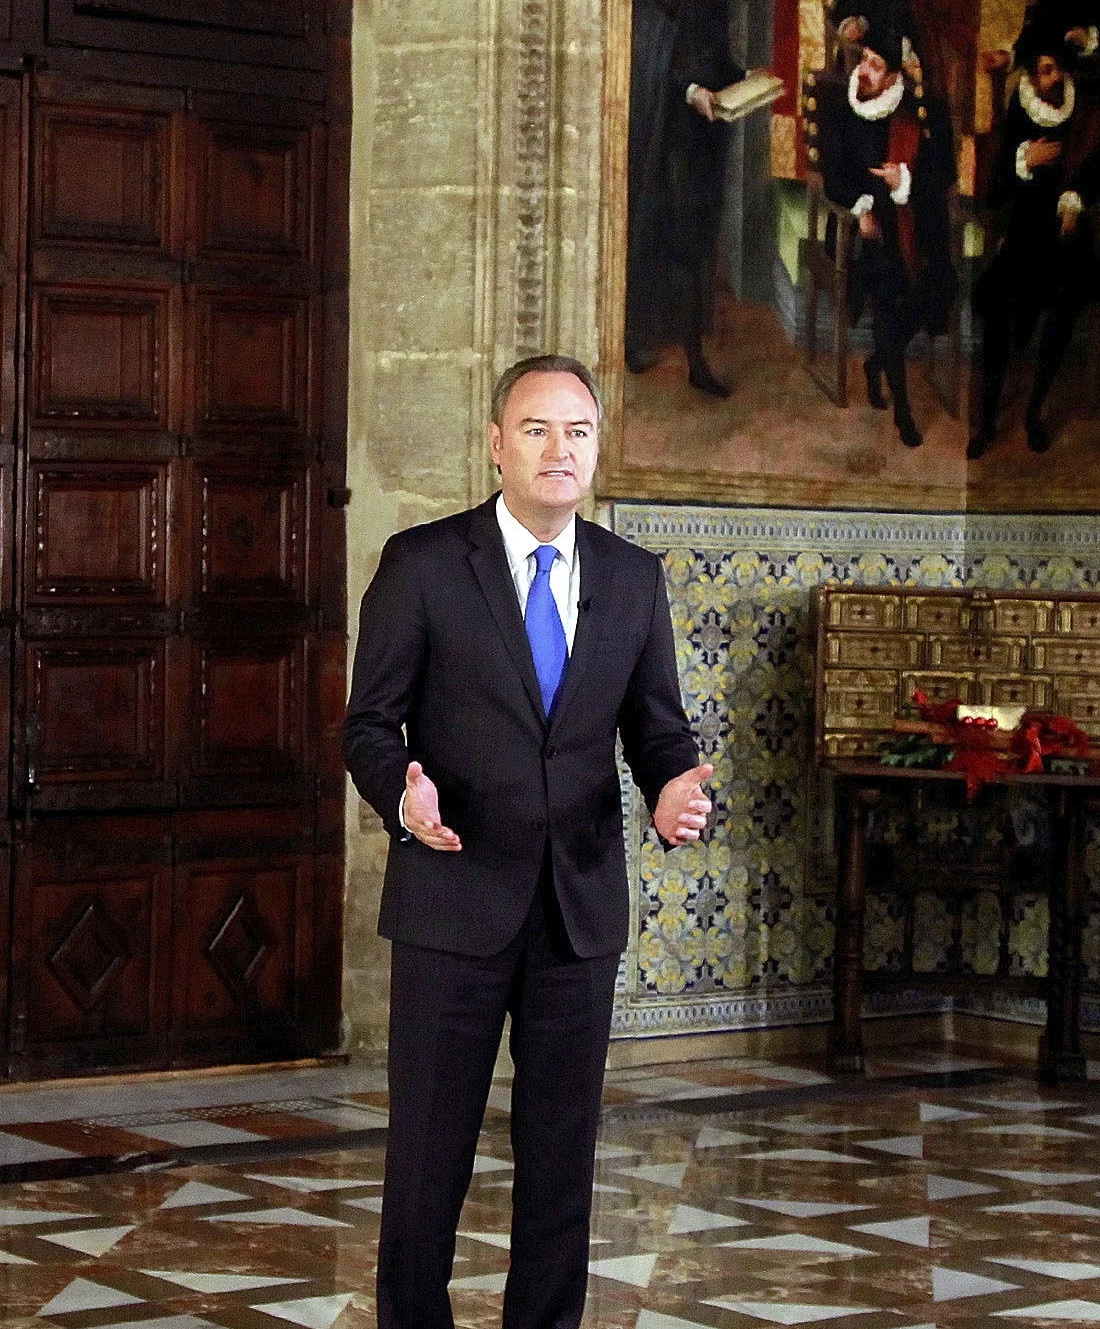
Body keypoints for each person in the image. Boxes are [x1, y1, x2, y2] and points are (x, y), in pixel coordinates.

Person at [343, 355, 714, 1329]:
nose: (560, 449)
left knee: (561, 1162)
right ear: (497, 444)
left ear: (595, 449)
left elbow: (656, 730)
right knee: (428, 1159)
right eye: (538, 429)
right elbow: (368, 728)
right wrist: (402, 795)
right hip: (452, 903)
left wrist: (675, 787)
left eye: (578, 432)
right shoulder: (423, 565)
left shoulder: (632, 580)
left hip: (576, 914)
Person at [969, 39, 1100, 458]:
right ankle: (988, 420)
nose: (1047, 79)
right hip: (1024, 232)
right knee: (997, 309)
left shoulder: (1086, 112)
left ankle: (1034, 412)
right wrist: (1022, 162)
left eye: (1053, 70)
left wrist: (1075, 200)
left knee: (1063, 307)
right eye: (1040, 71)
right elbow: (994, 191)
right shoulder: (1020, 106)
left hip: (1067, 236)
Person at [818, 25, 956, 448]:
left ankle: (877, 362)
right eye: (864, 61)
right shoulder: (843, 107)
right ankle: (903, 411)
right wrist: (861, 209)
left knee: (938, 287)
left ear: (895, 77)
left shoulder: (920, 110)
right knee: (888, 291)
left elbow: (943, 174)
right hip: (864, 227)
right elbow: (833, 175)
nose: (864, 70)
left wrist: (904, 180)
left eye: (876, 65)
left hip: (913, 221)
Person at [623, 0, 743, 397]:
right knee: (656, 240)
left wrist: (744, 80)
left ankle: (694, 359)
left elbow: (715, 59)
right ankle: (634, 340)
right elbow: (649, 57)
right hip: (665, 140)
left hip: (702, 140)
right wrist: (690, 90)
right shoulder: (650, 8)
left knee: (694, 249)